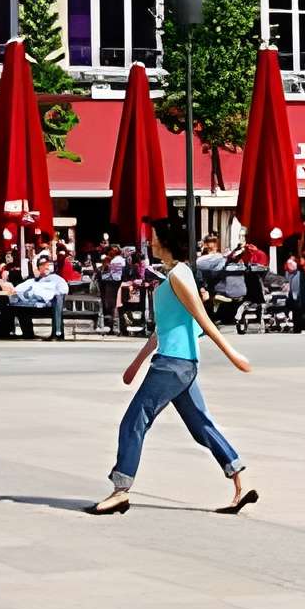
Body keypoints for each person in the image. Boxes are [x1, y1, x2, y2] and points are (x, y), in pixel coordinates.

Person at [89, 213, 254, 517]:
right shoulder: (173, 276)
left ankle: (120, 491)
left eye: (153, 237)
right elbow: (163, 328)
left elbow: (202, 317)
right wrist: (135, 364)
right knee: (201, 426)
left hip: (172, 366)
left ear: (165, 242)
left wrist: (232, 354)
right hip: (180, 364)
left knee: (134, 420)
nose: (149, 242)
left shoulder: (179, 275)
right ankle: (240, 486)